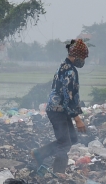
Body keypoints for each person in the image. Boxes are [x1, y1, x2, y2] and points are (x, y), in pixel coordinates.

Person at [32, 39, 89, 175]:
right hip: (58, 111)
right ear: (75, 55)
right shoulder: (69, 71)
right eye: (82, 58)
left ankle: (39, 153)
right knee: (64, 143)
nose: (83, 61)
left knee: (72, 138)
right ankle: (59, 173)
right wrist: (77, 119)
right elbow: (67, 98)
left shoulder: (64, 66)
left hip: (59, 110)